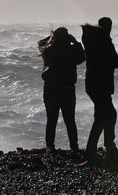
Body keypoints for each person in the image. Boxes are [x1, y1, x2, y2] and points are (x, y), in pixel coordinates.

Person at [81, 17, 118, 164]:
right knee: (103, 117)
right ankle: (96, 151)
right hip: (101, 84)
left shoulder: (91, 40)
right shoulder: (104, 41)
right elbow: (113, 61)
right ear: (109, 27)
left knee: (107, 115)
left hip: (93, 84)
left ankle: (106, 148)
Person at [38, 27, 85, 158]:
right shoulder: (71, 50)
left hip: (51, 88)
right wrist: (75, 41)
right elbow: (82, 57)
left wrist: (51, 38)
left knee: (51, 120)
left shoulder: (49, 50)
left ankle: (49, 147)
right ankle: (74, 148)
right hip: (67, 89)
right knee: (70, 120)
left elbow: (40, 44)